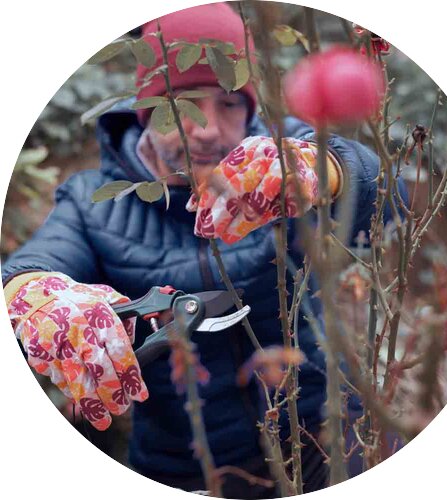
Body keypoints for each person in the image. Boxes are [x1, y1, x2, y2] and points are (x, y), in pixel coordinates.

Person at [3, 3, 405, 498]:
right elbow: (33, 265)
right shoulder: (91, 202)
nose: (207, 128)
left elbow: (393, 202)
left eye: (230, 103)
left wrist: (328, 171)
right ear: (147, 109)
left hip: (331, 434)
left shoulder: (282, 155)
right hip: (182, 469)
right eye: (182, 105)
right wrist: (39, 297)